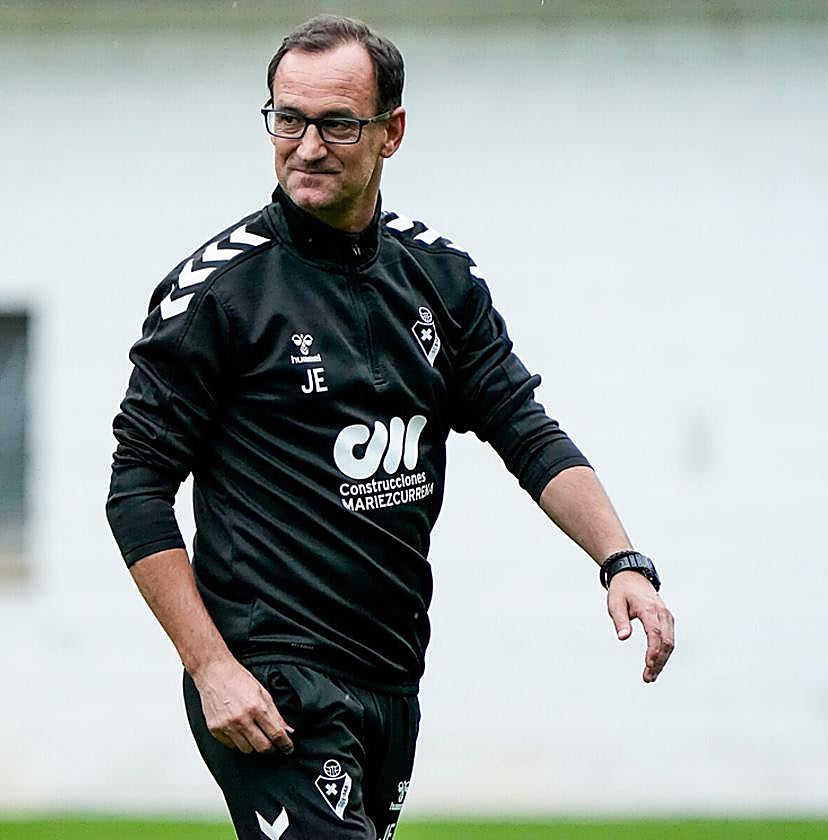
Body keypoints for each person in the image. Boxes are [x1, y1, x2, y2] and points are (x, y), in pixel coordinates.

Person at [106, 14, 674, 839]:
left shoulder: (440, 276)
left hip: (391, 678)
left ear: (390, 132)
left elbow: (525, 427)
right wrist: (211, 668)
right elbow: (136, 491)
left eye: (337, 123)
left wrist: (621, 560)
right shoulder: (216, 295)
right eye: (286, 119)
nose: (306, 146)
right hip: (272, 682)